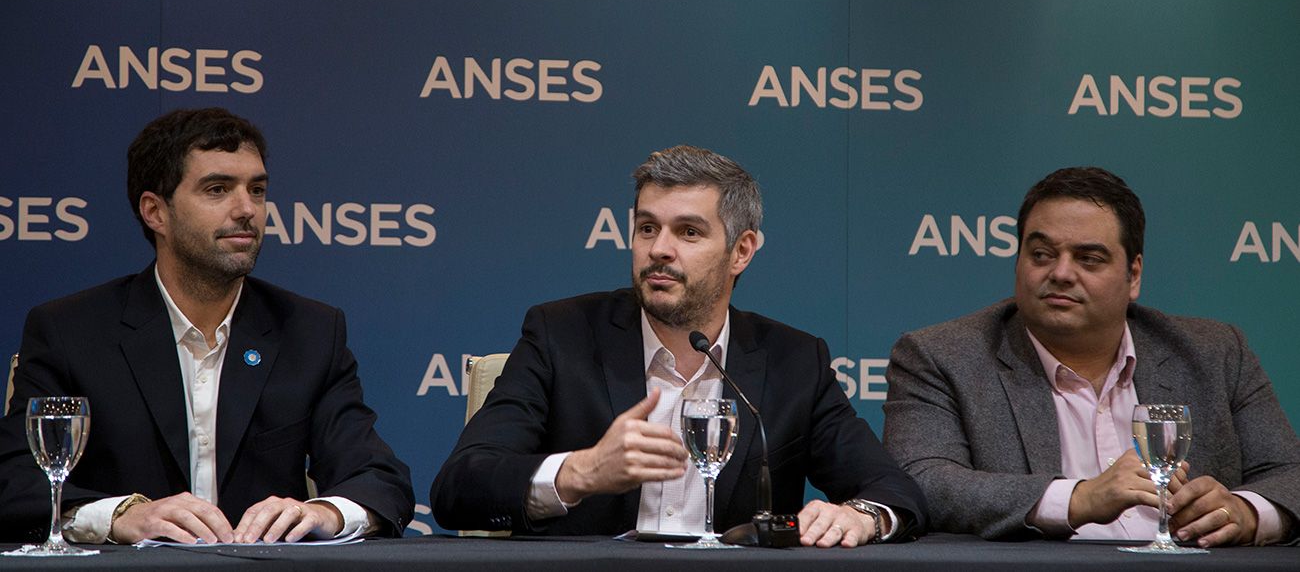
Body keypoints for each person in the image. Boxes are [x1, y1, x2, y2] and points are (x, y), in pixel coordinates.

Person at [431, 145, 927, 546]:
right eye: (648, 228)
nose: (659, 249)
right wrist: (580, 472)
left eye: (688, 232)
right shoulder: (561, 335)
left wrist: (862, 517)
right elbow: (460, 487)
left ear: (742, 251)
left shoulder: (795, 361)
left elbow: (893, 490)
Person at [0, 108, 414, 545]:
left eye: (257, 190)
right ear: (155, 212)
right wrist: (120, 516)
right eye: (217, 189)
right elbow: (14, 481)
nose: (246, 210)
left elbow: (380, 479)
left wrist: (324, 512)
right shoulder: (70, 331)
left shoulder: (309, 332)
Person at [884, 166, 1300, 546]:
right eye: (1042, 254)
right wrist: (1078, 498)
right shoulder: (942, 356)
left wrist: (1247, 513)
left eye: (1089, 258)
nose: (1061, 273)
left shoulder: (1216, 352)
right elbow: (922, 482)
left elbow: (1290, 474)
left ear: (1133, 275)